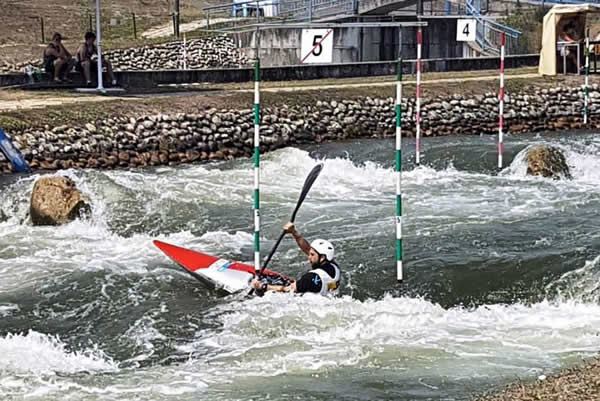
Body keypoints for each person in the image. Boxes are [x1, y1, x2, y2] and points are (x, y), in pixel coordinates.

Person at [250, 222, 341, 295]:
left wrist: (262, 286)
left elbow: (285, 290)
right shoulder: (334, 267)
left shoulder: (311, 278)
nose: (308, 257)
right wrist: (294, 232)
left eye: (312, 255)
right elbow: (307, 249)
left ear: (322, 257)